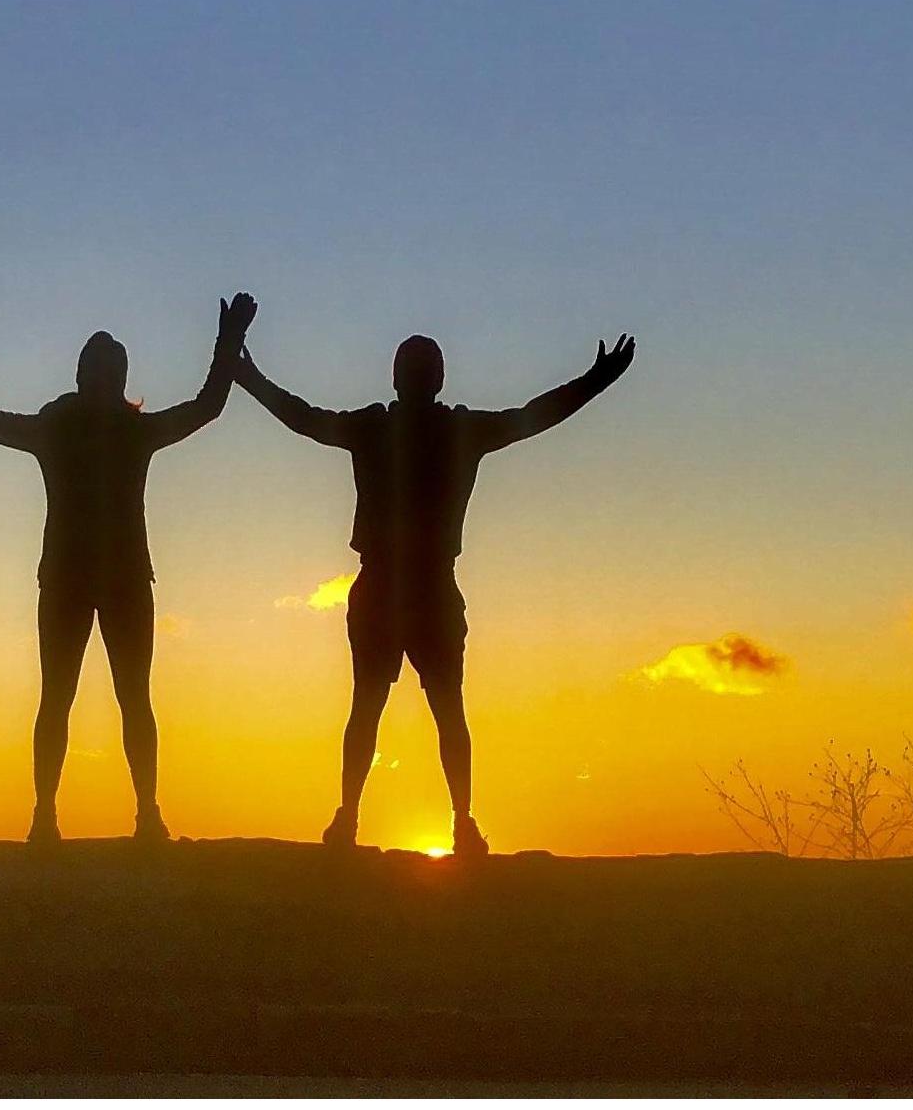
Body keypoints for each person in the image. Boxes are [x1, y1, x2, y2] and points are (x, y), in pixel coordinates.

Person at [238, 325, 636, 857]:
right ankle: (446, 821)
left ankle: (365, 818)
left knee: (383, 708)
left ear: (398, 378)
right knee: (433, 709)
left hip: (396, 586)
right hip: (416, 587)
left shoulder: (385, 428)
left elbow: (303, 418)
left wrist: (247, 375)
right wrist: (595, 380)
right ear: (435, 379)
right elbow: (534, 416)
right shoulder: (450, 430)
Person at [0, 291, 256, 843]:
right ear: (92, 377)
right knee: (74, 698)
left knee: (113, 699)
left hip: (100, 580)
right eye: (100, 371)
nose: (103, 380)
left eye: (108, 371)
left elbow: (205, 407)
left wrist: (230, 339)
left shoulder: (100, 430)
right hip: (85, 580)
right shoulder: (95, 430)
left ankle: (124, 814)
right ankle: (62, 816)